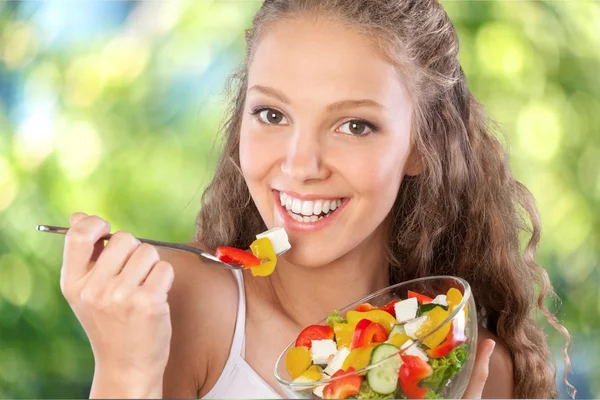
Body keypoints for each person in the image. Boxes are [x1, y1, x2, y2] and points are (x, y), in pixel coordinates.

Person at [59, 0, 574, 398]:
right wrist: (125, 372)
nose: (300, 165)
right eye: (272, 115)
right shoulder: (185, 308)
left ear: (421, 144)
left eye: (354, 125)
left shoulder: (468, 364)